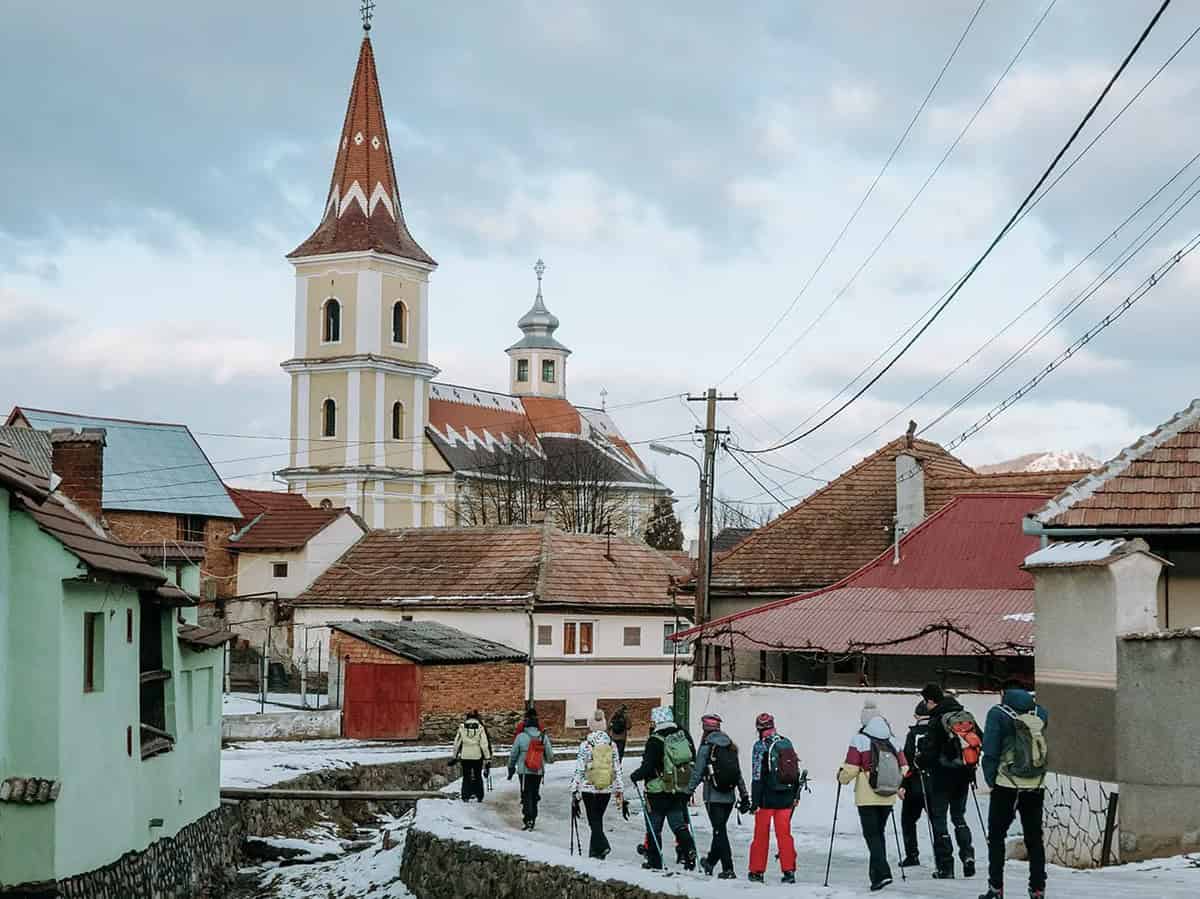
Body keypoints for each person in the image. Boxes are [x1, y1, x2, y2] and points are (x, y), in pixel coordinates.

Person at [978, 679, 1049, 899]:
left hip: (1007, 784)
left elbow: (990, 750)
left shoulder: (997, 713)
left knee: (997, 836)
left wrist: (992, 780)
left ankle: (995, 888)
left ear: (1004, 692)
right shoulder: (1041, 712)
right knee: (1034, 838)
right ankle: (1037, 889)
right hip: (1036, 783)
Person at [838, 702, 909, 892]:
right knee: (878, 834)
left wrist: (841, 777)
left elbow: (851, 769)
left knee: (872, 835)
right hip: (888, 795)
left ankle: (883, 873)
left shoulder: (859, 740)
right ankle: (876, 877)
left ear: (864, 720)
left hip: (867, 796)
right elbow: (904, 767)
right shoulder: (893, 740)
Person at [918, 683, 981, 879]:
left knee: (939, 819)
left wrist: (920, 758)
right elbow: (981, 739)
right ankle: (968, 856)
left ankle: (946, 866)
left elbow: (930, 752)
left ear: (930, 700)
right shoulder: (965, 716)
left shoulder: (937, 720)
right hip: (964, 776)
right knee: (959, 817)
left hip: (941, 777)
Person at [628, 705, 697, 871]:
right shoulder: (682, 736)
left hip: (657, 791)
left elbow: (648, 766)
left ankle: (655, 861)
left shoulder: (655, 740)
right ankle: (689, 851)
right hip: (678, 789)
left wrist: (635, 776)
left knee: (654, 827)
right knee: (678, 824)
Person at [686, 713, 750, 880]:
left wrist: (688, 791)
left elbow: (698, 773)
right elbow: (737, 773)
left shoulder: (706, 746)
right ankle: (710, 862)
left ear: (705, 729)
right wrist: (744, 795)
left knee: (719, 832)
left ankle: (728, 869)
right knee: (719, 830)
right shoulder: (730, 746)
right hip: (729, 797)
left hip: (713, 797)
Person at [747, 712, 800, 884]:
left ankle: (757, 871)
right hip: (785, 797)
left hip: (766, 799)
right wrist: (795, 795)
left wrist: (754, 801)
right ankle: (789, 871)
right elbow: (795, 772)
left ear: (759, 728)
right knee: (784, 835)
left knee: (761, 836)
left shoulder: (760, 746)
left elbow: (757, 776)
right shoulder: (786, 742)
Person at [570, 709, 626, 860]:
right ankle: (596, 853)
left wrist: (574, 789)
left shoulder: (586, 745)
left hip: (589, 788)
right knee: (598, 819)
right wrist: (619, 789)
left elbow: (580, 769)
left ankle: (602, 845)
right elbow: (617, 768)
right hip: (606, 788)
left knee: (593, 821)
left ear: (591, 726)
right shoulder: (612, 744)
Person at [507, 707, 554, 831]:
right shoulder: (543, 737)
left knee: (526, 793)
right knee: (534, 793)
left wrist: (511, 767)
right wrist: (546, 760)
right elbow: (550, 755)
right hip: (537, 771)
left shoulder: (521, 736)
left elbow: (513, 754)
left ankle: (528, 818)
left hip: (524, 772)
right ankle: (533, 816)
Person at [898, 701, 931, 867]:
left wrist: (902, 784)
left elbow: (907, 762)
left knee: (908, 820)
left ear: (918, 716)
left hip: (915, 785)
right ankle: (944, 859)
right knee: (938, 822)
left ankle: (912, 855)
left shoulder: (913, 734)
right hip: (935, 784)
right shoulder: (938, 730)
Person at [452, 710, 492, 802]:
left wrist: (454, 756)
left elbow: (457, 743)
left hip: (465, 756)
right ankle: (479, 795)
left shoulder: (462, 727)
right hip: (477, 756)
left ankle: (465, 795)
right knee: (478, 775)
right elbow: (484, 744)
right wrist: (487, 757)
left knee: (466, 776)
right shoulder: (480, 728)